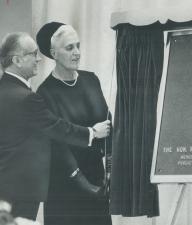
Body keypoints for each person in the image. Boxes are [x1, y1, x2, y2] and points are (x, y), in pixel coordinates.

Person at [0, 32, 111, 220]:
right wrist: (93, 132)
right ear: (17, 60)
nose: (39, 59)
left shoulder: (6, 90)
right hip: (21, 190)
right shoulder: (27, 97)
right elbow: (57, 127)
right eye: (33, 54)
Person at [36, 22, 112, 225]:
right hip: (66, 190)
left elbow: (108, 124)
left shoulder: (91, 80)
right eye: (69, 48)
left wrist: (110, 173)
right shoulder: (44, 94)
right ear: (53, 53)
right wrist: (87, 187)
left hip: (98, 180)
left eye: (78, 46)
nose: (77, 52)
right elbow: (57, 147)